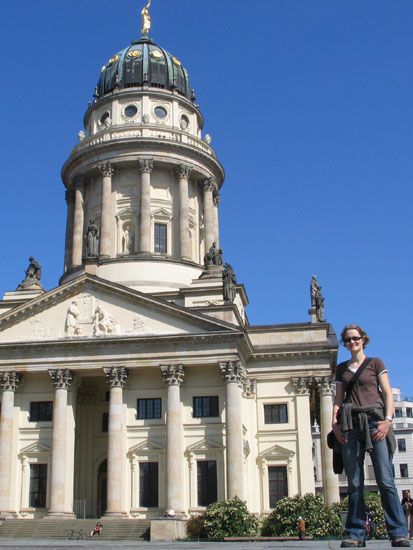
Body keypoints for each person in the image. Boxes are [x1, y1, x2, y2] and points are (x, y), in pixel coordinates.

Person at [332, 324, 409, 548]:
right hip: (350, 425)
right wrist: (335, 426)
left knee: (386, 481)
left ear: (363, 339)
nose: (352, 342)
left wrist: (388, 421)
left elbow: (387, 392)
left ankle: (398, 532)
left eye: (355, 338)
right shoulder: (341, 368)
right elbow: (338, 400)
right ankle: (356, 533)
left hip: (376, 423)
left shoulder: (376, 363)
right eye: (347, 340)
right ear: (344, 343)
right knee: (355, 484)